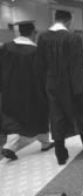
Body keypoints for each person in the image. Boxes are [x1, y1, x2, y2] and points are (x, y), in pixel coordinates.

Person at [37, 10, 83, 165]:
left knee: (56, 115)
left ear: (55, 19)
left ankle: (60, 152)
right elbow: (78, 64)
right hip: (71, 83)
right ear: (69, 21)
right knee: (80, 111)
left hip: (51, 83)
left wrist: (44, 84)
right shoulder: (73, 38)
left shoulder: (43, 37)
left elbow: (40, 64)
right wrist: (82, 87)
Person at [0, 21, 53, 160]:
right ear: (33, 33)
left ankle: (10, 146)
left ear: (18, 32)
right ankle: (45, 143)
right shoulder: (36, 51)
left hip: (10, 90)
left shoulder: (6, 48)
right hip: (33, 91)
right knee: (39, 115)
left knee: (13, 117)